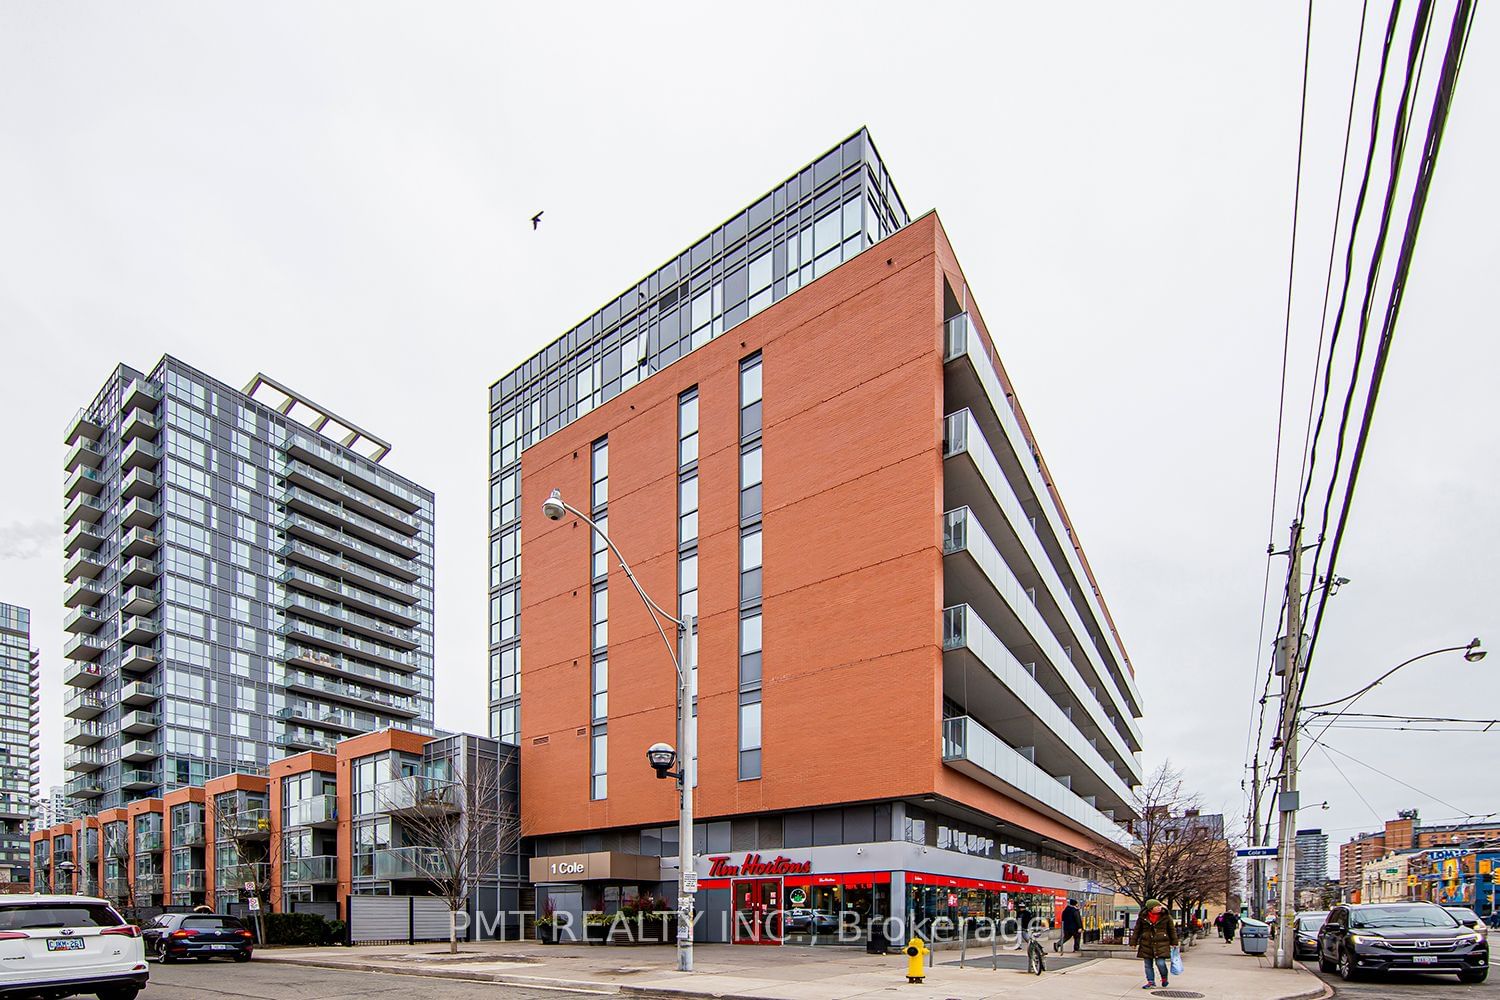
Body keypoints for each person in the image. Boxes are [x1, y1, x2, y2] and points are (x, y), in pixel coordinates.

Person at [1131, 899, 1178, 989]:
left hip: (1162, 943)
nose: (1160, 908)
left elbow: (1172, 930)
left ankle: (1164, 978)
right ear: (1151, 908)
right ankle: (1151, 982)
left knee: (1160, 963)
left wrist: (1174, 942)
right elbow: (1137, 930)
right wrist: (1133, 942)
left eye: (1160, 906)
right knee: (1148, 964)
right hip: (1146, 943)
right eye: (1157, 906)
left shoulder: (1166, 917)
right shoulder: (1143, 917)